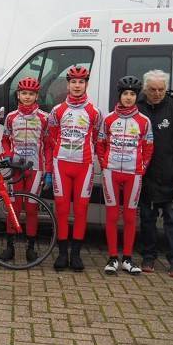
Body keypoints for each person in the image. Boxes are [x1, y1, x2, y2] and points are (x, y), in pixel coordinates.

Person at [137, 69, 173, 278]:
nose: (157, 93)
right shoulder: (137, 107)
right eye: (152, 89)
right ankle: (148, 257)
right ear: (145, 89)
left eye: (161, 89)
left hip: (172, 177)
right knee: (147, 220)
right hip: (146, 177)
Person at [96, 76, 153, 275]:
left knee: (129, 216)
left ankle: (127, 258)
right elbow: (100, 144)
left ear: (137, 97)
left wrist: (141, 168)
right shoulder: (109, 119)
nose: (128, 97)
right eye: (125, 94)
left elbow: (149, 147)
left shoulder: (144, 121)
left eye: (132, 94)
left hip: (133, 174)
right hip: (111, 172)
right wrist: (105, 164)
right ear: (119, 95)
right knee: (112, 215)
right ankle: (113, 258)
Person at [48, 65, 102, 271]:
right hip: (61, 164)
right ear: (67, 85)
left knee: (80, 210)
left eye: (81, 82)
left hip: (84, 165)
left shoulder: (94, 112)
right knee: (62, 209)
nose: (77, 86)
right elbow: (52, 135)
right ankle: (62, 254)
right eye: (73, 82)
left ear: (86, 84)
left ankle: (76, 255)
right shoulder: (57, 110)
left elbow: (96, 137)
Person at [0, 77, 51, 262]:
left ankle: (31, 248)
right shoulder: (11, 117)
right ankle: (9, 247)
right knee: (13, 208)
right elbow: (5, 140)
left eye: (31, 94)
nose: (27, 97)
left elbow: (48, 145)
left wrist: (49, 171)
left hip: (35, 169)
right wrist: (8, 155)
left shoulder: (45, 118)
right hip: (16, 168)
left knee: (31, 209)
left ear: (36, 96)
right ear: (18, 95)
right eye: (23, 93)